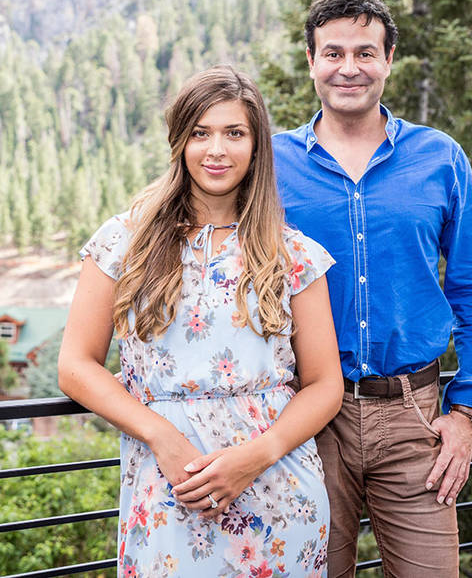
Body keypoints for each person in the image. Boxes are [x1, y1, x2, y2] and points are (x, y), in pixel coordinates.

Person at [272, 0, 472, 577]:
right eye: (333, 53)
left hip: (413, 417)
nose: (348, 68)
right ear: (311, 62)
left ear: (388, 61)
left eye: (365, 52)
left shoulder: (439, 157)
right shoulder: (272, 162)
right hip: (304, 414)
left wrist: (465, 414)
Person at [58, 65, 344, 577]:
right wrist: (161, 437)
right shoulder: (124, 242)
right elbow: (76, 366)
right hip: (167, 487)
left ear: (257, 146)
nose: (217, 150)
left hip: (277, 492)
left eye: (235, 133)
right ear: (179, 142)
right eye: (200, 133)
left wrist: (257, 456)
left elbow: (325, 385)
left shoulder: (293, 254)